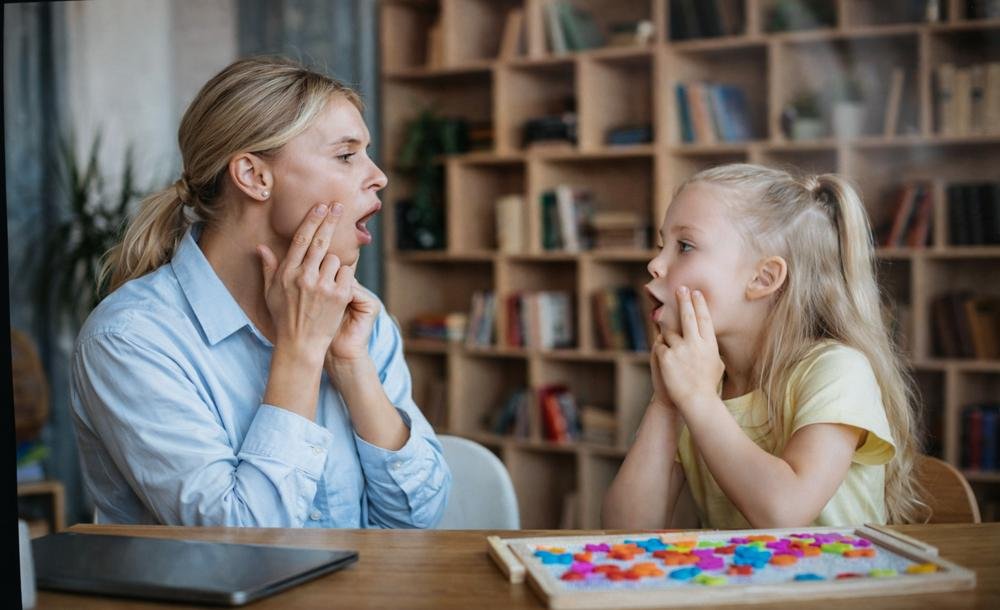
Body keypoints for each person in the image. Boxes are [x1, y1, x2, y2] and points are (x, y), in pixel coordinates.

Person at [70, 56, 451, 528]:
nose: (379, 176)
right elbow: (244, 539)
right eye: (347, 155)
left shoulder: (356, 317)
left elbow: (420, 520)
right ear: (254, 176)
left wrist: (353, 368)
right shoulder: (129, 340)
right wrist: (300, 350)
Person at [603, 163, 924, 529]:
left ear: (763, 278)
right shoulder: (701, 381)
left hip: (841, 583)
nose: (656, 264)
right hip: (742, 587)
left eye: (685, 247)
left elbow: (784, 512)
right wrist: (665, 403)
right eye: (662, 246)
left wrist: (697, 400)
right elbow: (623, 530)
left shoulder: (837, 371)